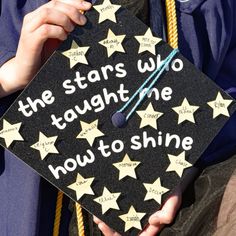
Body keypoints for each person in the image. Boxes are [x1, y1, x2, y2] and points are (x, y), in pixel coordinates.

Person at [0, 0, 236, 235]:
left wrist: (183, 162)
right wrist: (10, 76)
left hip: (182, 201)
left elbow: (227, 83)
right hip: (41, 211)